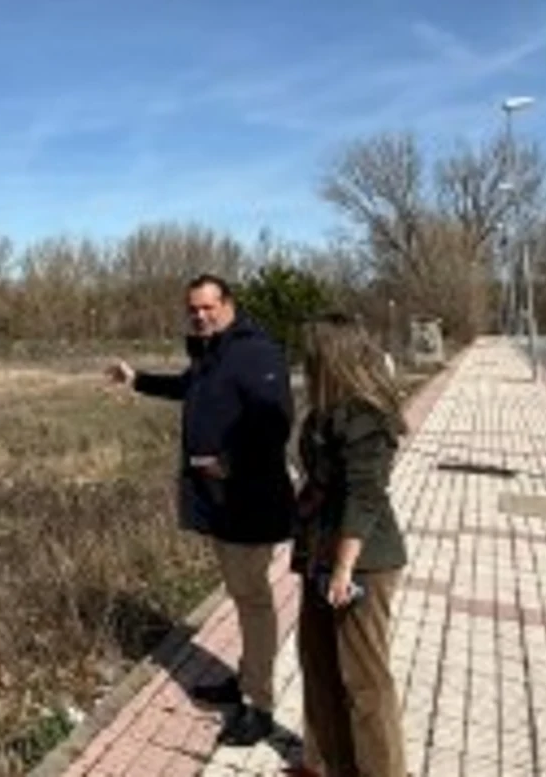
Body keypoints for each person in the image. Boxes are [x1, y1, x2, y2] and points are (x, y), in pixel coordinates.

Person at [107, 274, 296, 747]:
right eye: (193, 309)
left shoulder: (254, 353)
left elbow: (275, 424)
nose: (199, 316)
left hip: (249, 502)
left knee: (253, 601)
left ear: (229, 304)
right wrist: (138, 381)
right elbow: (187, 389)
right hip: (221, 502)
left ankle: (260, 706)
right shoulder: (212, 353)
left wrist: (228, 463)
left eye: (208, 307)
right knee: (240, 593)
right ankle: (245, 679)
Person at [291, 313, 408, 777]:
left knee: (364, 678)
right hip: (319, 549)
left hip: (361, 560)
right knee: (318, 663)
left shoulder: (366, 416)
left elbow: (366, 495)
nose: (306, 359)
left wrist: (343, 569)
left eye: (313, 351)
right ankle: (326, 764)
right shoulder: (326, 410)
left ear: (332, 354)